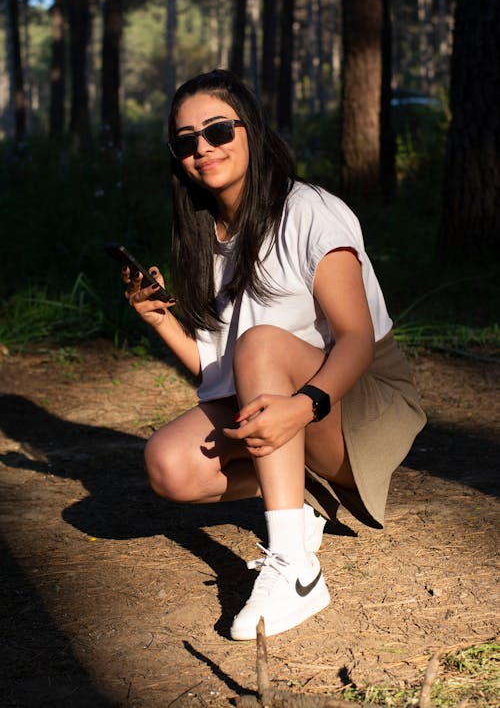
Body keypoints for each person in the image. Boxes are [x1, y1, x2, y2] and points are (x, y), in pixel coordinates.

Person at [122, 69, 426, 641]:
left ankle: (296, 569)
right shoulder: (211, 235)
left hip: (361, 402)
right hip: (298, 404)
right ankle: (300, 506)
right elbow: (218, 371)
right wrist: (161, 318)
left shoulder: (311, 210)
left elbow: (356, 338)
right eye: (186, 141)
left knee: (259, 342)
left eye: (216, 131)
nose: (202, 149)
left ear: (252, 130)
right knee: (169, 464)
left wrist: (303, 406)